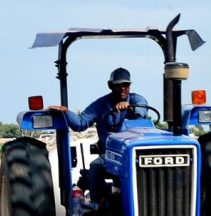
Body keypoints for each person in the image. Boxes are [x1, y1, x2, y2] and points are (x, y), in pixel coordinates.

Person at [48, 67, 150, 200]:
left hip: (135, 154)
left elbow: (142, 112)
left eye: (126, 85)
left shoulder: (137, 100)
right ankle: (98, 204)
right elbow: (80, 123)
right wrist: (66, 112)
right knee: (95, 167)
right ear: (110, 86)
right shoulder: (100, 105)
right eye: (118, 85)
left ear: (130, 86)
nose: (123, 89)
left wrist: (129, 106)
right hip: (110, 155)